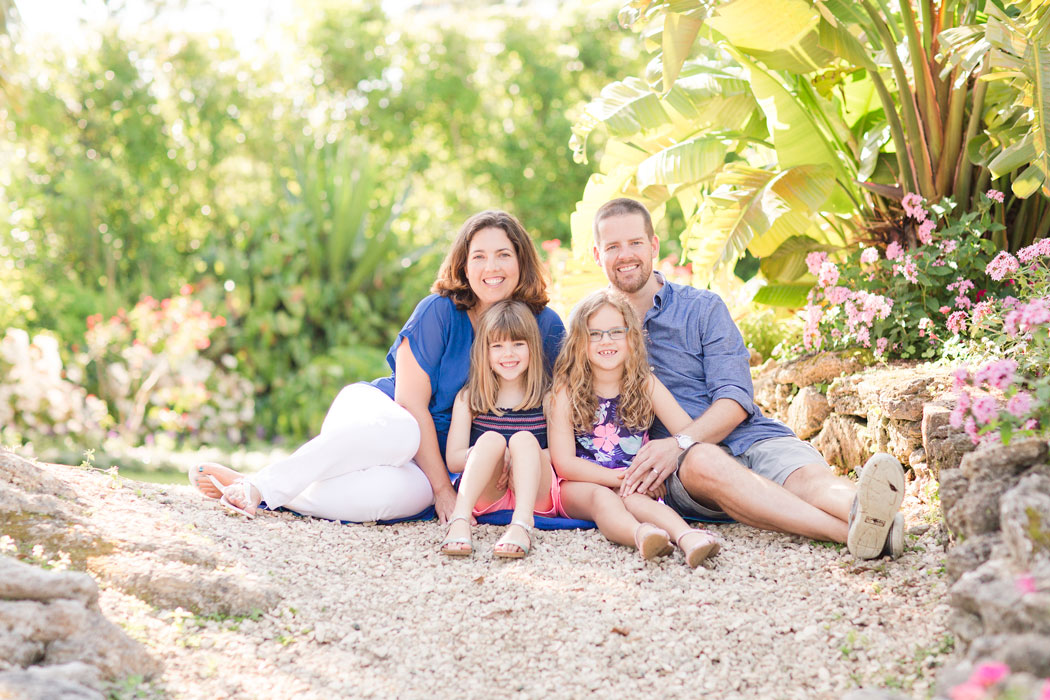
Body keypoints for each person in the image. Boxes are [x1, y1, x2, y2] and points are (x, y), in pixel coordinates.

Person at [190, 210, 565, 525]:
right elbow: (411, 403)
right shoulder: (439, 312)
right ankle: (262, 486)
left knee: (388, 499)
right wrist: (440, 490)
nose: (491, 267)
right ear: (464, 266)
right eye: (479, 256)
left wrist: (459, 482)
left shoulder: (545, 326)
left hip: (437, 462)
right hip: (380, 417)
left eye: (503, 255)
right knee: (402, 433)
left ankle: (271, 491)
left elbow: (557, 408)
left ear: (521, 260)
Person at [588, 198, 905, 560]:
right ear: (597, 255)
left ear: (654, 245)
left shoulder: (703, 308)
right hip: (688, 468)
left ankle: (868, 511)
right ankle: (858, 531)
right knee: (702, 459)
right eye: (613, 247)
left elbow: (735, 401)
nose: (625, 255)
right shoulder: (594, 330)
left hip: (751, 435)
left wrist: (678, 441)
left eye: (635, 243)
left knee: (807, 480)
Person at [548, 289, 721, 568]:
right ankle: (642, 535)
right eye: (595, 334)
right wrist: (618, 478)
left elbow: (685, 433)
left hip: (633, 484)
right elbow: (564, 462)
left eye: (616, 332)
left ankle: (686, 537)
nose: (606, 341)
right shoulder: (566, 392)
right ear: (579, 342)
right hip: (578, 485)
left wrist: (652, 474)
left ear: (631, 338)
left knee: (637, 500)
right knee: (602, 496)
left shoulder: (644, 384)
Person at [439, 300, 560, 559]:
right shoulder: (470, 398)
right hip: (488, 494)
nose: (508, 354)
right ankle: (460, 519)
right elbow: (454, 458)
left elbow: (561, 456)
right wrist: (499, 455)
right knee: (491, 440)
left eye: (518, 344)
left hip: (534, 493)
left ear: (533, 348)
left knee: (525, 440)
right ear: (485, 352)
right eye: (498, 346)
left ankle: (522, 524)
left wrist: (518, 458)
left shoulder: (549, 398)